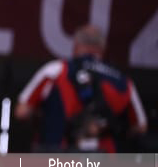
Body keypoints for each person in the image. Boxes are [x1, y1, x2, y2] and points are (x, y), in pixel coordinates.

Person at [15, 24, 147, 152]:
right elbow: (140, 126)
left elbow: (22, 112)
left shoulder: (56, 70)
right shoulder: (124, 82)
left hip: (59, 157)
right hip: (105, 160)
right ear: (103, 48)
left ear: (76, 45)